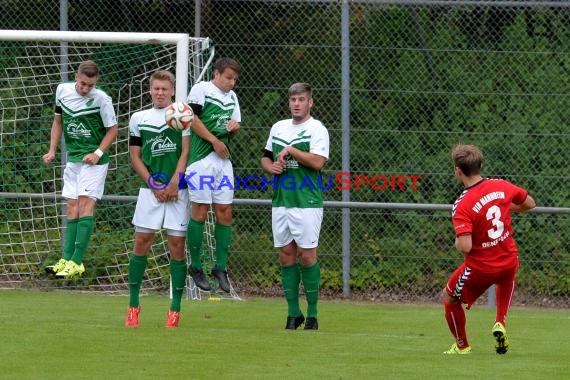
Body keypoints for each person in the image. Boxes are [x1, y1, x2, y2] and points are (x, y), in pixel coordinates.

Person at [443, 144, 536, 354]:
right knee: (505, 276)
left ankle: (462, 346)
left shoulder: (462, 204)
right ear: (480, 165)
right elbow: (530, 203)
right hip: (509, 259)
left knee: (449, 297)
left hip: (481, 267)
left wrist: (457, 241)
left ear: (457, 170)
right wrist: (506, 207)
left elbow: (465, 246)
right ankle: (500, 322)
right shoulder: (501, 185)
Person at [124, 70, 191, 328]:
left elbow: (185, 151)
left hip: (178, 190)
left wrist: (175, 181)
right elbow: (135, 156)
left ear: (172, 90)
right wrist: (153, 183)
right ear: (150, 90)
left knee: (176, 247)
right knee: (141, 243)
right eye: (156, 89)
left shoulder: (182, 115)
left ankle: (175, 310)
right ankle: (132, 305)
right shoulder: (138, 118)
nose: (160, 93)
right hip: (149, 191)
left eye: (165, 89)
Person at [260, 83, 329, 330]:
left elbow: (318, 162)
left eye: (301, 99)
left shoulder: (316, 129)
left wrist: (291, 150)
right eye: (293, 100)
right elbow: (265, 157)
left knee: (307, 256)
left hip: (307, 203)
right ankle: (293, 313)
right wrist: (271, 167)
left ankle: (312, 315)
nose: (296, 104)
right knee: (286, 255)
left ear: (310, 102)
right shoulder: (278, 127)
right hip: (281, 201)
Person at [43, 60, 118, 279]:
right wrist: (52, 150)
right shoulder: (62, 91)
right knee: (72, 206)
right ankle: (66, 259)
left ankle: (77, 261)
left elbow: (113, 130)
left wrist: (97, 153)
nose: (86, 89)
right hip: (74, 160)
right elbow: (58, 121)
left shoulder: (102, 99)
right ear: (76, 77)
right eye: (83, 84)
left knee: (85, 204)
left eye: (90, 85)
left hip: (94, 163)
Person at [184, 57, 241, 293]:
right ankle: (196, 266)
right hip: (201, 161)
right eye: (228, 77)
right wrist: (214, 140)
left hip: (223, 162)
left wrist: (234, 128)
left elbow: (233, 123)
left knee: (225, 212)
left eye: (235, 79)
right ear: (216, 73)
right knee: (199, 210)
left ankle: (220, 267)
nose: (231, 83)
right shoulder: (201, 89)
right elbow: (191, 119)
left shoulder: (233, 97)